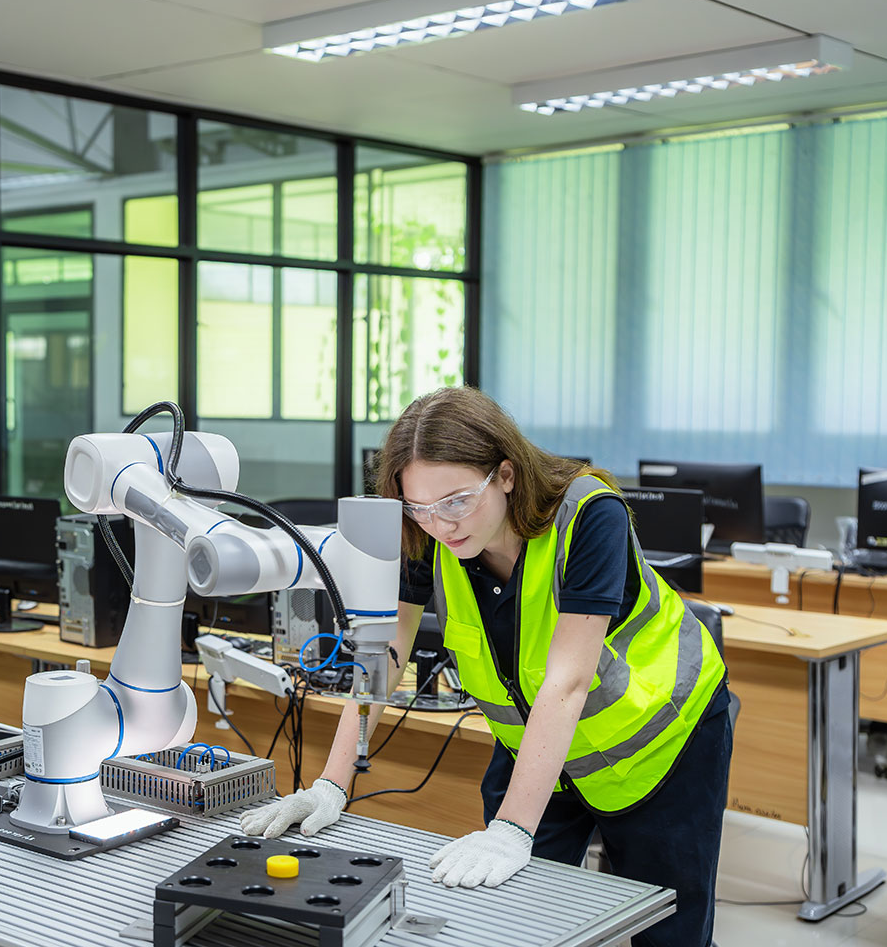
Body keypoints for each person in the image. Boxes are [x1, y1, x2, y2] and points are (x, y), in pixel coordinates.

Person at [241, 387, 731, 947]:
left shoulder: (589, 515)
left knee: (668, 932)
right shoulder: (426, 532)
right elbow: (385, 655)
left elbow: (568, 682)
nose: (440, 525)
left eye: (456, 502)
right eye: (419, 507)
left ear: (505, 474)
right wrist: (331, 783)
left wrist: (511, 829)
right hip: (536, 749)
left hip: (659, 745)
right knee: (516, 922)